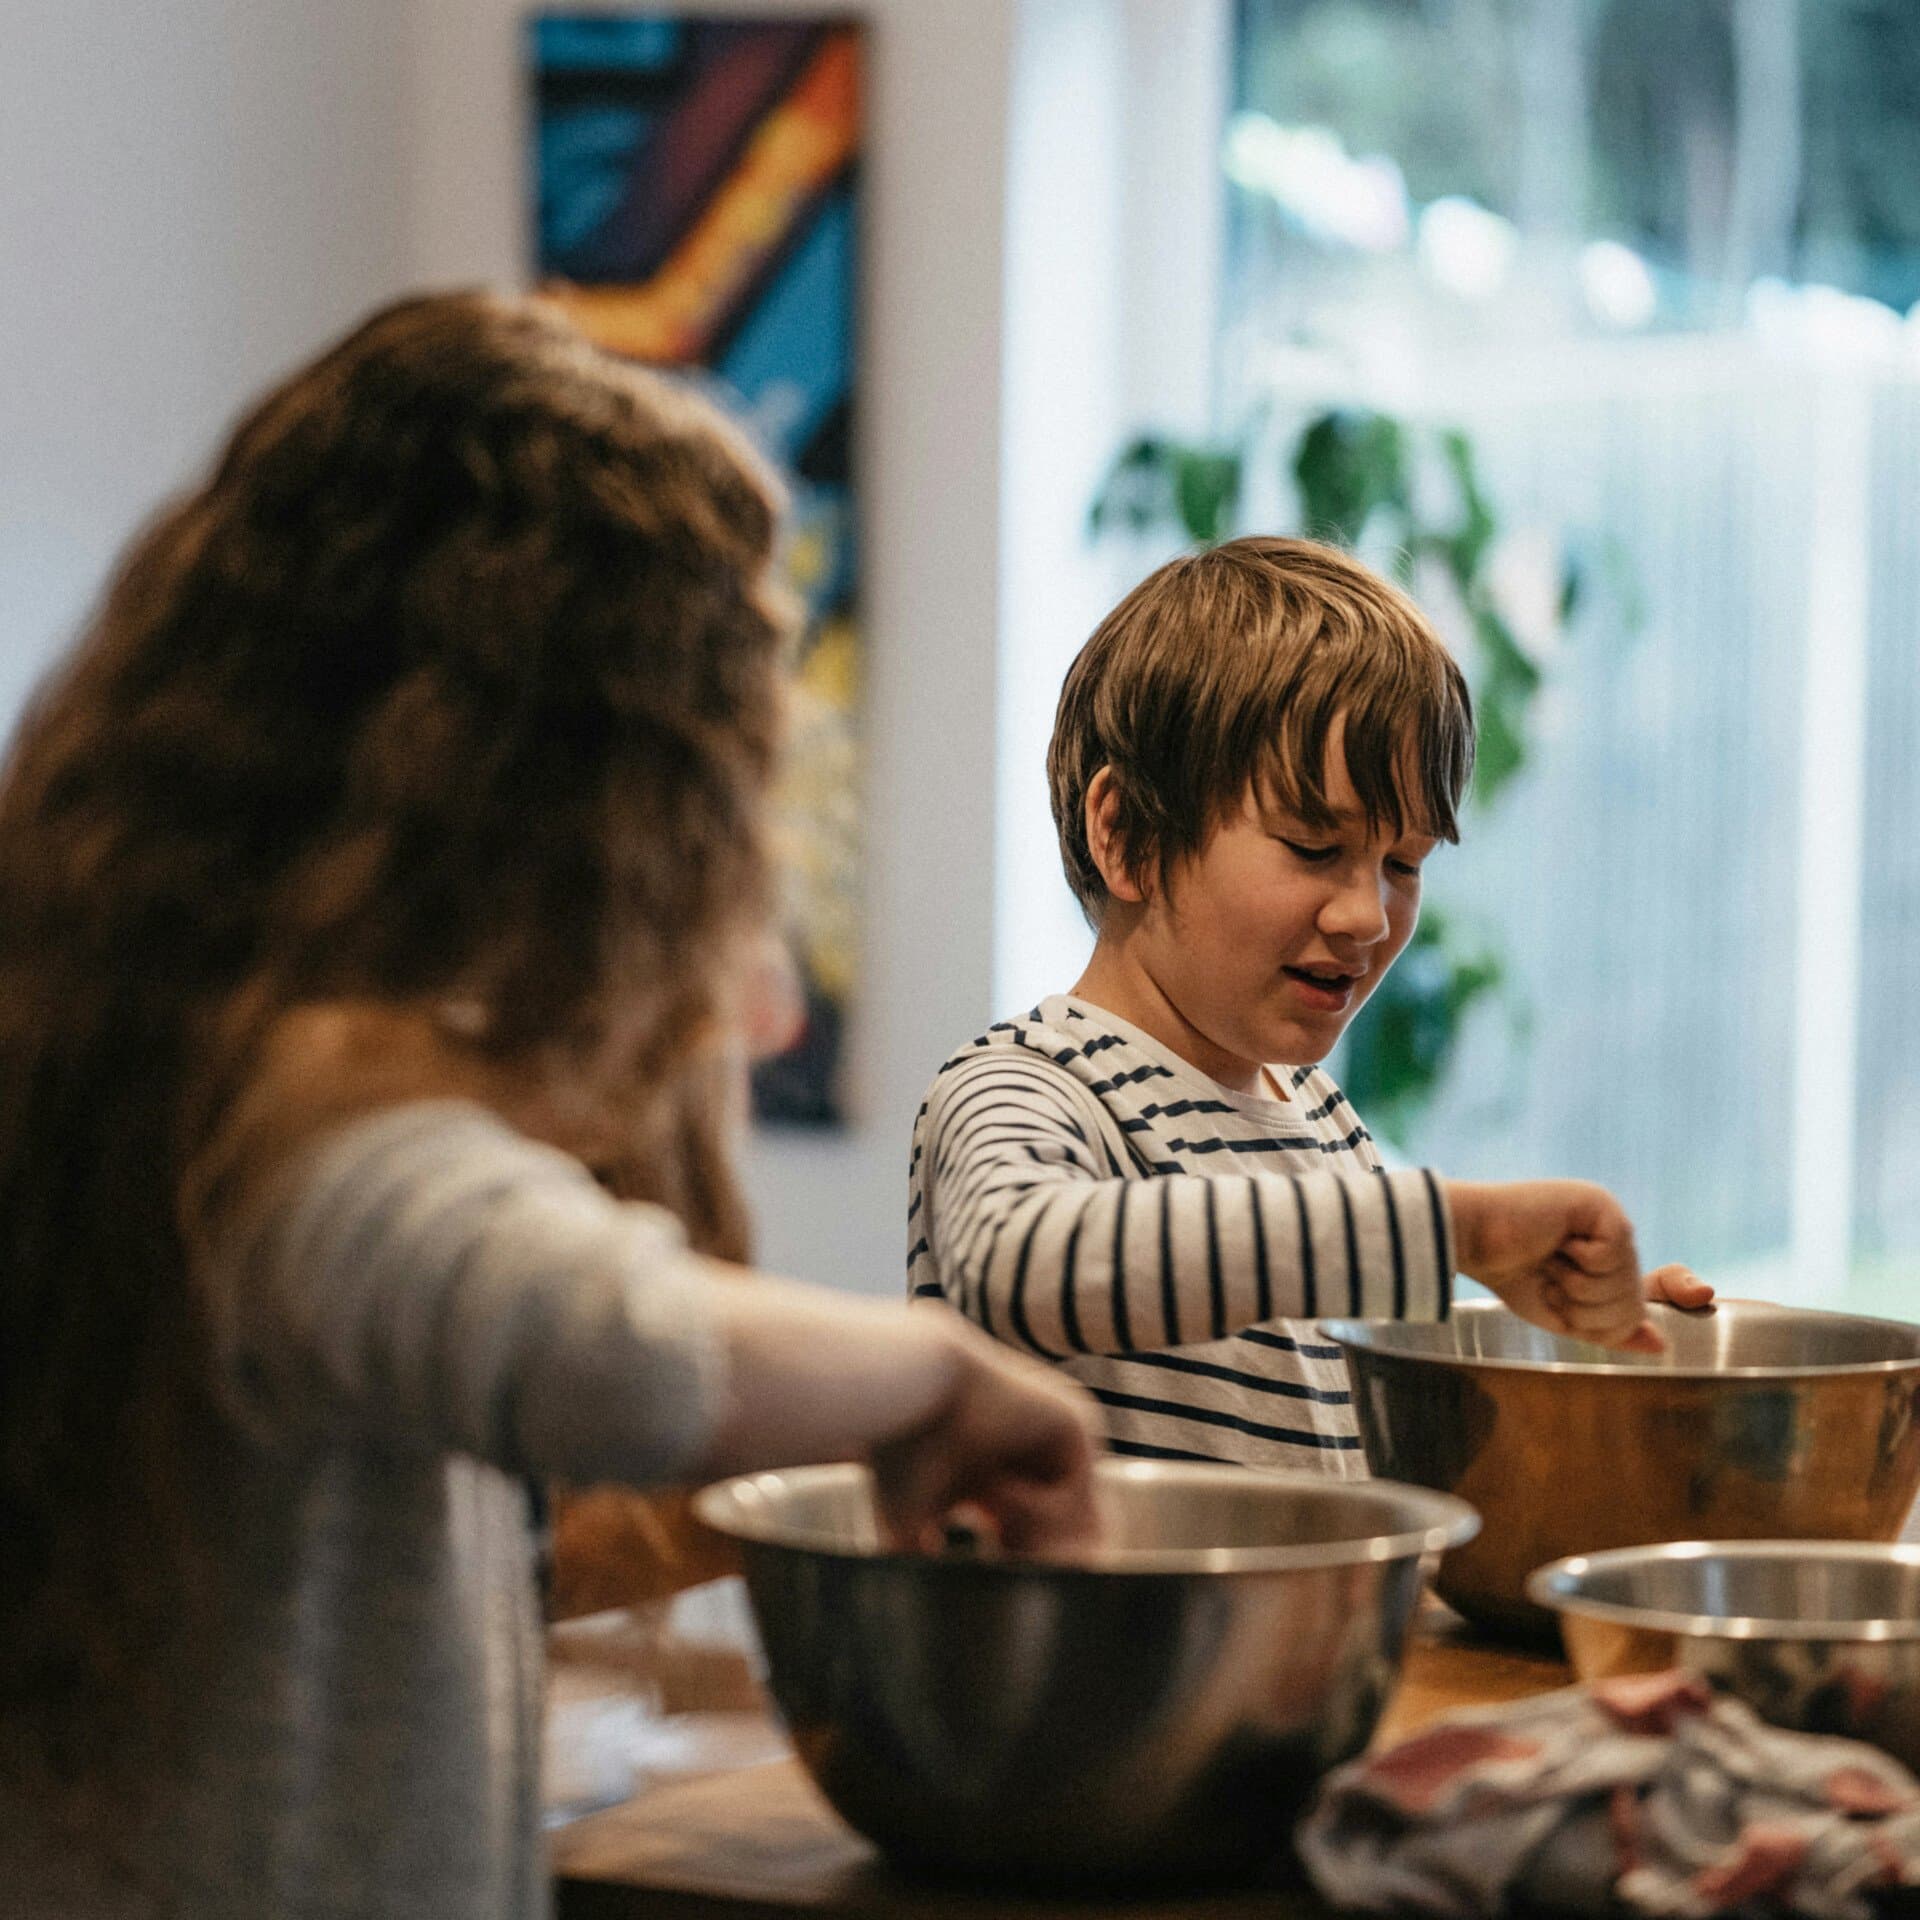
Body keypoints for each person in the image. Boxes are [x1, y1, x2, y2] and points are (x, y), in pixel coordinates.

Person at [0, 291, 1100, 1919]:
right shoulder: (283, 1116)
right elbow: (606, 1343)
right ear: (587, 795)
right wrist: (940, 1373)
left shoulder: (114, 1030)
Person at [908, 535, 1710, 1473]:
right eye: (1313, 847)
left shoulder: (1322, 1120)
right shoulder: (1027, 1086)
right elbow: (1017, 1264)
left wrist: (1567, 1329)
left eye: (1403, 863)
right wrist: (1460, 1230)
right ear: (1126, 835)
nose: (1368, 915)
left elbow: (1344, 1360)